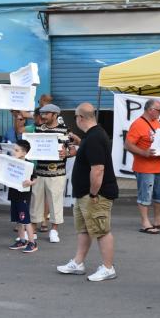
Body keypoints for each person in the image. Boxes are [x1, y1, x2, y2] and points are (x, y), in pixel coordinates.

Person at [57, 103, 119, 282]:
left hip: (95, 195)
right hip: (84, 194)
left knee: (102, 230)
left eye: (76, 117)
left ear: (80, 118)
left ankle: (108, 268)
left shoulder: (95, 137)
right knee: (84, 229)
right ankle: (78, 263)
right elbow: (88, 154)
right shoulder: (91, 136)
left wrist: (93, 194)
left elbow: (98, 169)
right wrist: (78, 143)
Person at [125, 98, 160, 234]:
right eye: (159, 110)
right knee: (145, 195)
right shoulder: (137, 124)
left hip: (158, 166)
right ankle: (145, 222)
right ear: (150, 110)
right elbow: (127, 144)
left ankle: (158, 219)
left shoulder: (157, 123)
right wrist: (143, 153)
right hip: (144, 167)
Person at [30, 104, 74, 244]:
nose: (43, 116)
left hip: (57, 173)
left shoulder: (65, 130)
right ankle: (33, 230)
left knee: (55, 202)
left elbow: (73, 150)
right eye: (42, 113)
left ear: (55, 115)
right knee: (36, 201)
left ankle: (54, 230)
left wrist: (66, 153)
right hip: (39, 172)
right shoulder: (38, 129)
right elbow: (27, 140)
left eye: (46, 114)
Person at [7, 140, 39, 253]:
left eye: (16, 150)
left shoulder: (29, 165)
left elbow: (35, 179)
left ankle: (32, 243)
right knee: (18, 221)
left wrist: (30, 183)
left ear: (24, 153)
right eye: (13, 149)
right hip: (14, 195)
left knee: (25, 220)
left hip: (23, 196)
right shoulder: (11, 162)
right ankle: (22, 240)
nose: (13, 152)